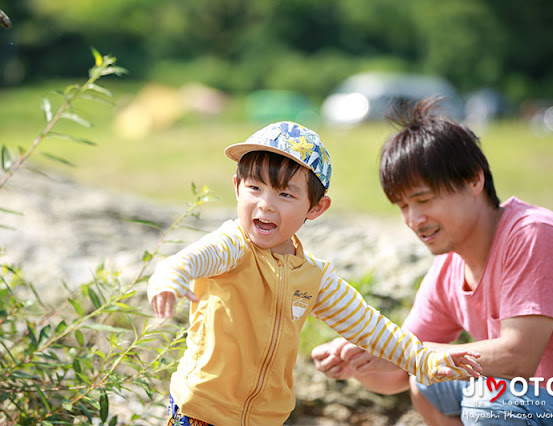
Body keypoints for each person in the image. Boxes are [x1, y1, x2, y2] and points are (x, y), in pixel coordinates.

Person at [148, 121, 482, 426]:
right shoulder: (233, 246)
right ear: (237, 187)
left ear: (315, 208)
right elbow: (193, 258)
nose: (265, 204)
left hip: (266, 420)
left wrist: (422, 360)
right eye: (254, 188)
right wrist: (171, 276)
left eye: (284, 194)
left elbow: (368, 325)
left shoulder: (313, 276)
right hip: (200, 413)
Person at [311, 97, 553, 425]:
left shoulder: (533, 234)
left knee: (488, 403)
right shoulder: (447, 270)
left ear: (474, 180)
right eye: (403, 206)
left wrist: (398, 350)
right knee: (427, 384)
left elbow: (518, 358)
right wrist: (358, 361)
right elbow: (400, 375)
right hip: (528, 404)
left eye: (424, 199)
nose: (414, 219)